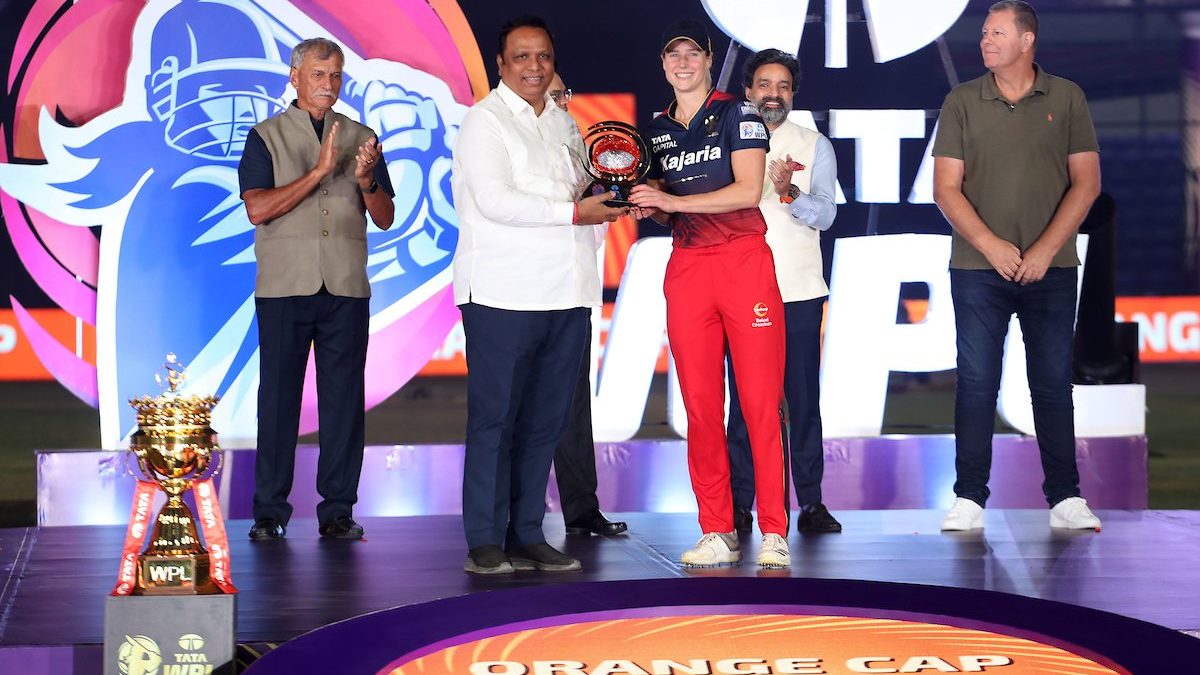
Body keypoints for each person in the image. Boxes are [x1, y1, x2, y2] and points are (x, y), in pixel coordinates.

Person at [452, 16, 627, 574]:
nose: (535, 67)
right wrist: (574, 212)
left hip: (568, 291)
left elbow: (581, 188)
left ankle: (527, 532)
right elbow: (495, 201)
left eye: (544, 56)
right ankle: (484, 539)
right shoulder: (484, 121)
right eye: (522, 57)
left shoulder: (564, 122)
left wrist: (616, 194)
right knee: (495, 421)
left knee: (545, 423)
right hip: (503, 292)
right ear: (501, 64)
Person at [932, 1, 1102, 531]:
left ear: (1027, 40)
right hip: (977, 269)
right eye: (985, 32)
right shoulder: (962, 100)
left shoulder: (1067, 97)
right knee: (976, 382)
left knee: (1052, 384)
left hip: (1052, 268)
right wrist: (991, 245)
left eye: (997, 33)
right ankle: (969, 497)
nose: (985, 41)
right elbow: (945, 189)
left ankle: (1066, 497)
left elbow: (1087, 183)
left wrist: (1046, 250)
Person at [630, 20, 790, 568]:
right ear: (663, 64)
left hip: (743, 263)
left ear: (708, 59)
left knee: (760, 405)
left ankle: (774, 530)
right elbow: (665, 209)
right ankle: (717, 529)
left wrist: (672, 203)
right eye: (672, 55)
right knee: (700, 408)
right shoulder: (655, 130)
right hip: (689, 268)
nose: (682, 63)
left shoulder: (738, 113)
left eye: (691, 54)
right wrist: (647, 203)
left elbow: (748, 190)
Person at [238, 37, 396, 541]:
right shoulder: (265, 136)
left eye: (335, 75)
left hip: (345, 288)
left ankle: (338, 510)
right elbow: (258, 208)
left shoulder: (363, 137)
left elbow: (385, 217)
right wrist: (321, 172)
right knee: (278, 401)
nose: (328, 84)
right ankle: (269, 511)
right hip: (284, 287)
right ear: (295, 77)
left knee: (344, 403)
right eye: (318, 74)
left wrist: (367, 181)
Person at [726, 49, 841, 536]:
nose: (773, 95)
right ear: (748, 91)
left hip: (798, 289)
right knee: (744, 403)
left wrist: (790, 192)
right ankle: (739, 504)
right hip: (740, 290)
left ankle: (810, 501)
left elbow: (827, 215)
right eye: (764, 85)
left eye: (783, 87)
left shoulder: (813, 145)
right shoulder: (726, 138)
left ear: (792, 94)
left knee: (802, 399)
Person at [548, 71, 629, 537]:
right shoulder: (505, 138)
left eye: (564, 94)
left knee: (575, 407)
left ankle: (581, 509)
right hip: (521, 295)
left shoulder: (579, 146)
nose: (561, 102)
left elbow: (595, 226)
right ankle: (513, 517)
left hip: (575, 291)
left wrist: (608, 201)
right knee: (518, 410)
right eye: (552, 95)